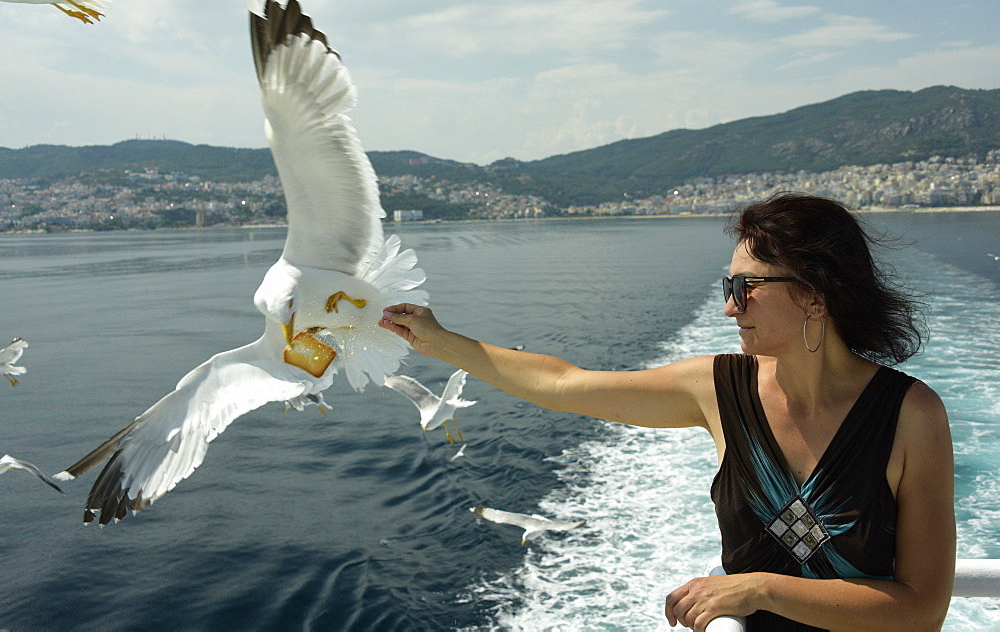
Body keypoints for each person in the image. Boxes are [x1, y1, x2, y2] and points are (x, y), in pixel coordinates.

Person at [378, 192, 955, 631]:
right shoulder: (717, 389)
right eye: (728, 285)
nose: (730, 307)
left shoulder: (911, 415)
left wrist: (763, 589)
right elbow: (564, 383)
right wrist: (440, 342)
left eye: (747, 287)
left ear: (816, 294)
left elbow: (923, 605)